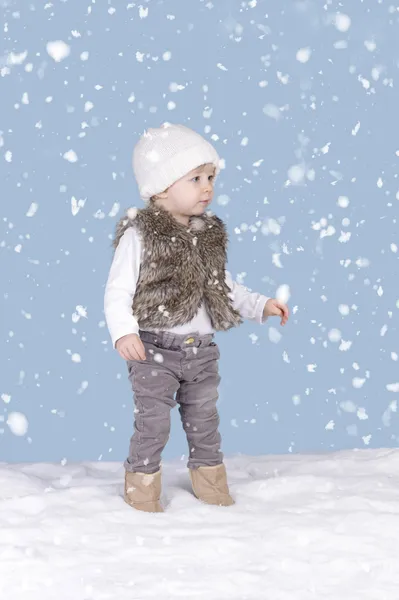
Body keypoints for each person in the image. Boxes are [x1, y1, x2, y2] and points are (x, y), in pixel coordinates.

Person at [104, 123, 289, 513]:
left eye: (211, 178)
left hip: (202, 353)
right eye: (195, 179)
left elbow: (223, 286)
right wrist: (124, 333)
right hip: (154, 350)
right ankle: (142, 490)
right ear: (161, 187)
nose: (207, 187)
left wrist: (260, 305)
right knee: (153, 424)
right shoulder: (140, 236)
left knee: (205, 421)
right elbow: (118, 290)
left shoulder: (207, 235)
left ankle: (212, 487)